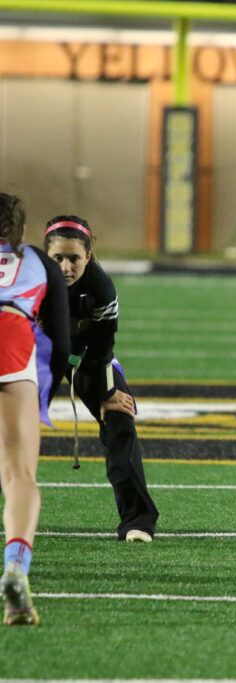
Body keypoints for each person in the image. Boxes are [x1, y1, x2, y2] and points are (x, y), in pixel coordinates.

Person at [43, 215, 158, 543]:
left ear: (89, 256)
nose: (66, 266)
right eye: (58, 258)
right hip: (38, 360)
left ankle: (138, 521)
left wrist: (108, 393)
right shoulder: (31, 279)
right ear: (45, 255)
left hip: (87, 359)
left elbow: (104, 345)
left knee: (120, 416)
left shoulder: (101, 286)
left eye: (74, 258)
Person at [1, 193, 70, 626]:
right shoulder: (39, 264)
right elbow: (61, 341)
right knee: (18, 475)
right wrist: (48, 393)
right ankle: (15, 568)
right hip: (11, 337)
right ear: (22, 232)